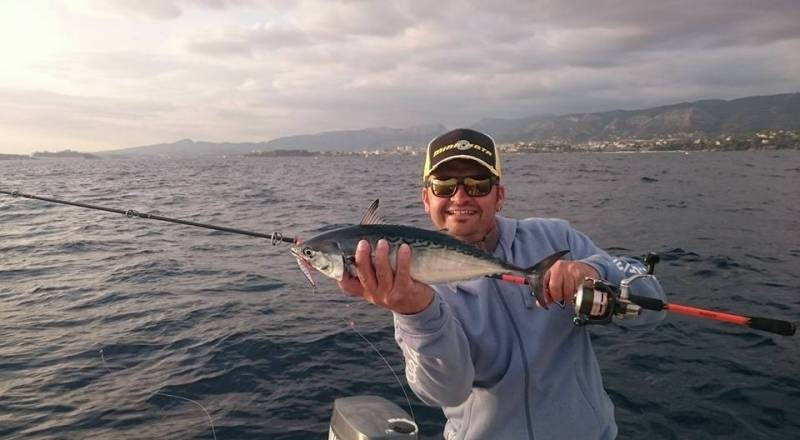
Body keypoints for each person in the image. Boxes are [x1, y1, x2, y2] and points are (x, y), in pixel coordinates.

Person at [337, 128, 665, 439]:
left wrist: (596, 271)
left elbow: (653, 309)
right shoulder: (410, 282)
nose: (460, 196)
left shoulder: (554, 238)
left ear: (500, 196)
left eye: (478, 184)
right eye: (444, 185)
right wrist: (416, 312)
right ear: (426, 198)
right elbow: (446, 391)